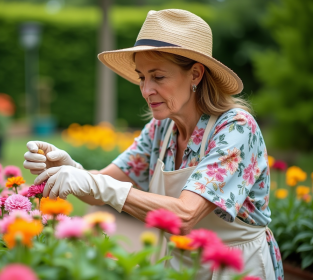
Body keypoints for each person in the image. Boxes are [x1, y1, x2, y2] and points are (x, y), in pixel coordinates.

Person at [23, 9, 283, 280]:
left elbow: (185, 214)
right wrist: (72, 169)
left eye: (158, 77)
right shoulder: (161, 129)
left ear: (195, 74)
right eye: (141, 77)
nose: (146, 90)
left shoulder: (236, 128)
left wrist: (95, 183)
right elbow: (99, 188)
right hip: (179, 267)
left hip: (237, 269)